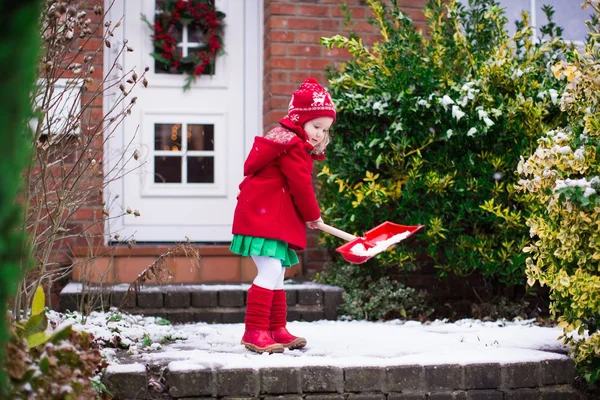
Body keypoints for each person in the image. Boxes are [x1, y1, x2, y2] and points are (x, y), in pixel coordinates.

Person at [230, 78, 336, 353]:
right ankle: (255, 330)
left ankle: (276, 328)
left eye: (325, 130)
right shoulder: (292, 147)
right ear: (299, 121)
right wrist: (312, 215)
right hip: (260, 219)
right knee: (272, 269)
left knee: (278, 273)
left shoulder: (286, 141)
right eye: (315, 127)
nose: (319, 135)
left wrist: (309, 216)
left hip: (266, 218)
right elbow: (301, 185)